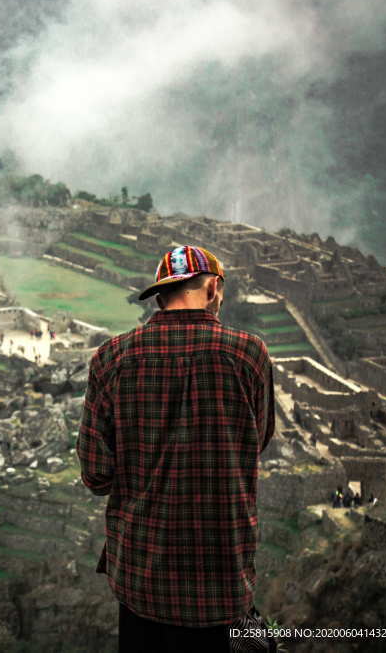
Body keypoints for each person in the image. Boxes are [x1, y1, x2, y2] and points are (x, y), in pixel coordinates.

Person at [77, 245, 276, 652]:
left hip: (141, 577)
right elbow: (258, 440)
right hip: (222, 577)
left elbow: (96, 475)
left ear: (160, 295)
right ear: (215, 288)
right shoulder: (249, 353)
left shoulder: (112, 358)